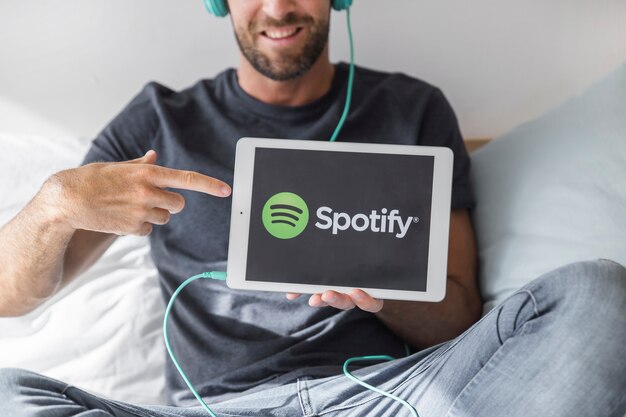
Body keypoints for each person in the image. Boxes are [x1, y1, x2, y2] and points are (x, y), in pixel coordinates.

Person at [0, 1, 624, 416]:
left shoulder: (412, 110)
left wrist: (386, 291)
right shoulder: (161, 122)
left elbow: (459, 313)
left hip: (387, 398)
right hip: (213, 408)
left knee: (597, 290)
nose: (277, 9)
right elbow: (8, 297)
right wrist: (56, 204)